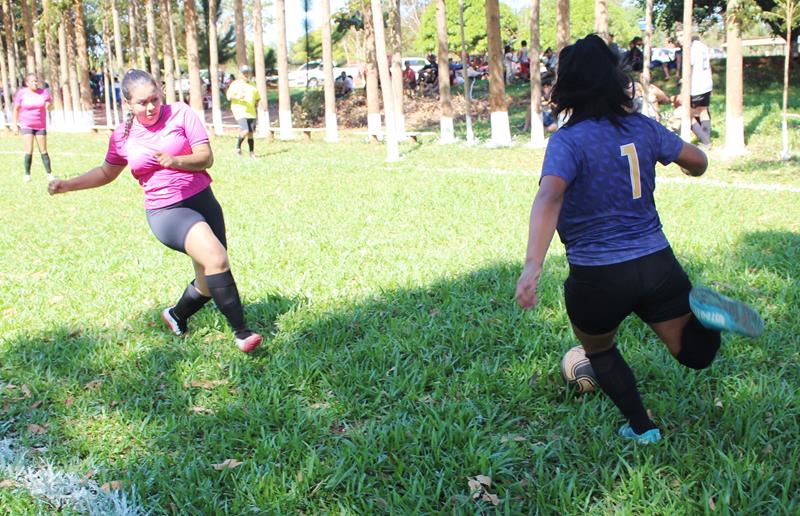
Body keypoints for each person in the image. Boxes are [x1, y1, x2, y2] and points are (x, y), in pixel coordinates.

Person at [515, 35, 763, 445]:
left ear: (568, 87)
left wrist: (532, 266)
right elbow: (699, 161)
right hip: (657, 266)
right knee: (695, 355)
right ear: (617, 80)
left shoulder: (567, 140)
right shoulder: (644, 127)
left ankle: (642, 428)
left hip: (597, 277)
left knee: (600, 350)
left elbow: (549, 194)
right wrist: (686, 166)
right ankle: (708, 318)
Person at [48, 69, 263, 354]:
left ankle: (176, 314)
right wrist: (67, 185)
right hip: (167, 210)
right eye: (141, 103)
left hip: (203, 200)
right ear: (128, 103)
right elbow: (105, 172)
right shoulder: (122, 135)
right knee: (216, 257)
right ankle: (242, 334)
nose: (150, 107)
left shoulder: (181, 114)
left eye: (154, 99)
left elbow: (206, 158)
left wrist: (176, 160)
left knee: (210, 278)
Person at [13, 73, 54, 183]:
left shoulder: (43, 92)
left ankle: (49, 174)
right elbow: (16, 109)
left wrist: (49, 105)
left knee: (43, 150)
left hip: (40, 125)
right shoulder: (22, 93)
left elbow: (49, 105)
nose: (35, 83)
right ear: (27, 83)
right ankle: (27, 174)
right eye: (32, 81)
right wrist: (15, 124)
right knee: (29, 150)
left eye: (36, 81)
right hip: (26, 124)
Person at [225, 65, 261, 158]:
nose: (246, 74)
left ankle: (252, 153)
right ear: (240, 74)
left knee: (250, 133)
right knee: (245, 130)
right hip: (240, 111)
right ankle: (238, 148)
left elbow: (257, 97)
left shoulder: (252, 84)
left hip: (251, 111)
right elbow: (229, 96)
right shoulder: (235, 84)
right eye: (244, 73)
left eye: (247, 73)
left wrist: (258, 104)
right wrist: (237, 97)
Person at [689, 34, 713, 148]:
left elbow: (690, 66)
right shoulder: (704, 47)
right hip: (707, 83)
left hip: (696, 85)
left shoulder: (692, 48)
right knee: (703, 110)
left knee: (688, 114)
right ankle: (707, 139)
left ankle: (705, 140)